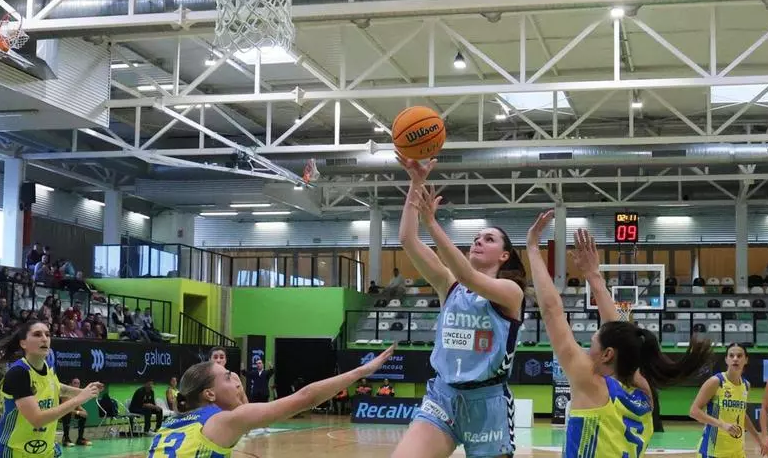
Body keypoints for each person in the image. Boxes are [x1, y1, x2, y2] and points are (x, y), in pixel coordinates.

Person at [527, 217, 713, 457]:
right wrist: (593, 276)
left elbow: (552, 311)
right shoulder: (644, 392)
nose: (586, 350)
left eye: (592, 343)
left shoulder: (591, 384)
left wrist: (533, 248)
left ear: (607, 354)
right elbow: (621, 332)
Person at [392, 157, 526, 458]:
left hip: (488, 402)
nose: (478, 241)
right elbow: (407, 239)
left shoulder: (510, 291)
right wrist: (416, 183)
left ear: (504, 256)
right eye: (476, 238)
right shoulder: (448, 284)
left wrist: (432, 223)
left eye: (488, 239)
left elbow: (468, 276)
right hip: (443, 396)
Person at [151, 346, 394, 457]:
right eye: (228, 377)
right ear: (210, 394)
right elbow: (306, 398)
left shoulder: (168, 426)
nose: (236, 382)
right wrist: (361, 371)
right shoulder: (222, 422)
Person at [0, 320, 103, 458]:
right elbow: (37, 419)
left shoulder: (48, 366)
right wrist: (79, 399)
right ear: (23, 343)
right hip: (15, 452)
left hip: (46, 451)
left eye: (47, 334)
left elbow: (56, 387)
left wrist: (84, 391)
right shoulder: (19, 373)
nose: (44, 339)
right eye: (37, 334)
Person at [690, 343, 768, 457]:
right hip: (713, 451)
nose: (735, 359)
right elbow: (694, 411)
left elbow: (742, 415)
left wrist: (758, 439)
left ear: (746, 360)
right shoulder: (716, 381)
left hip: (737, 451)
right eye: (731, 356)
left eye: (739, 356)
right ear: (726, 360)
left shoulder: (746, 385)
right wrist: (722, 425)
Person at [60, 378, 92, 447]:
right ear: (70, 384)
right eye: (75, 383)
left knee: (83, 416)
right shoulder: (65, 393)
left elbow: (78, 407)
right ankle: (66, 439)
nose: (77, 385)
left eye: (78, 383)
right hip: (60, 413)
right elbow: (64, 408)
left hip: (71, 412)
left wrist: (84, 412)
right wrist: (77, 412)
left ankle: (80, 439)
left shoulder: (76, 395)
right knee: (67, 414)